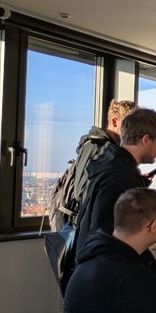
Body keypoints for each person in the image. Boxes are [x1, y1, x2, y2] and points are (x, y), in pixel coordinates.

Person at [66, 108, 156, 294]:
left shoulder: (111, 166)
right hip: (106, 276)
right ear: (146, 140)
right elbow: (105, 229)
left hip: (95, 270)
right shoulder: (121, 177)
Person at [49, 99, 137, 231]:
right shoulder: (100, 150)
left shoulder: (100, 147)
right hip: (88, 230)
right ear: (114, 122)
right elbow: (84, 193)